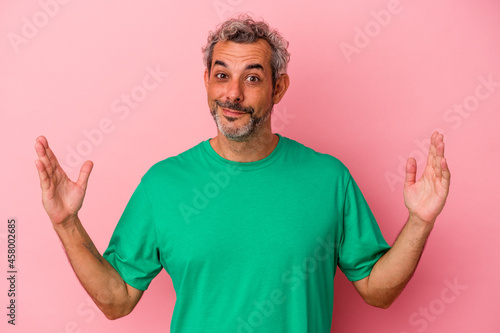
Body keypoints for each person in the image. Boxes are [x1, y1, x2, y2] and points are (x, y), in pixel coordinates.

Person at [34, 15, 450, 332]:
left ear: (278, 88)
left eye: (252, 77)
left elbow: (377, 292)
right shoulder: (163, 184)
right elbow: (117, 300)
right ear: (207, 82)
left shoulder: (329, 179)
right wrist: (66, 222)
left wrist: (419, 221)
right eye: (221, 76)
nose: (232, 93)